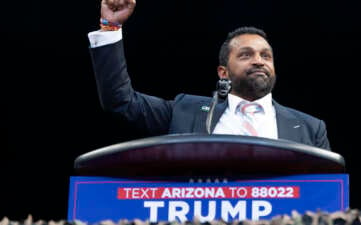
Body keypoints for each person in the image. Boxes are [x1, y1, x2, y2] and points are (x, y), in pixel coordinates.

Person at [87, 0, 331, 150]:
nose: (259, 60)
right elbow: (120, 100)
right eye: (246, 55)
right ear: (223, 71)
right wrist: (111, 27)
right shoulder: (184, 111)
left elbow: (326, 192)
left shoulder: (309, 128)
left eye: (266, 56)